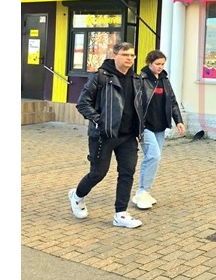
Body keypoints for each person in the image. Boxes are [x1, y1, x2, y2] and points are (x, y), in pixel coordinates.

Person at [69, 42, 144, 229]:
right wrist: (100, 121)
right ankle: (77, 196)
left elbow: (139, 106)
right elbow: (83, 104)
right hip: (104, 135)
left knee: (127, 173)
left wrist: (140, 128)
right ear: (114, 55)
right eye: (125, 54)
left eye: (132, 55)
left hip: (128, 136)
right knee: (98, 173)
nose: (129, 58)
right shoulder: (100, 76)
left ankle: (121, 214)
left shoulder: (136, 79)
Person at [133, 50, 186, 210]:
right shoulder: (140, 80)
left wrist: (179, 121)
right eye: (157, 64)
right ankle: (142, 192)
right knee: (153, 156)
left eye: (162, 64)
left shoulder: (164, 80)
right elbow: (134, 104)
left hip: (160, 126)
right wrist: (136, 128)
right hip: (145, 126)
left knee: (153, 158)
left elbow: (172, 101)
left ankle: (144, 191)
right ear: (149, 63)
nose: (160, 67)